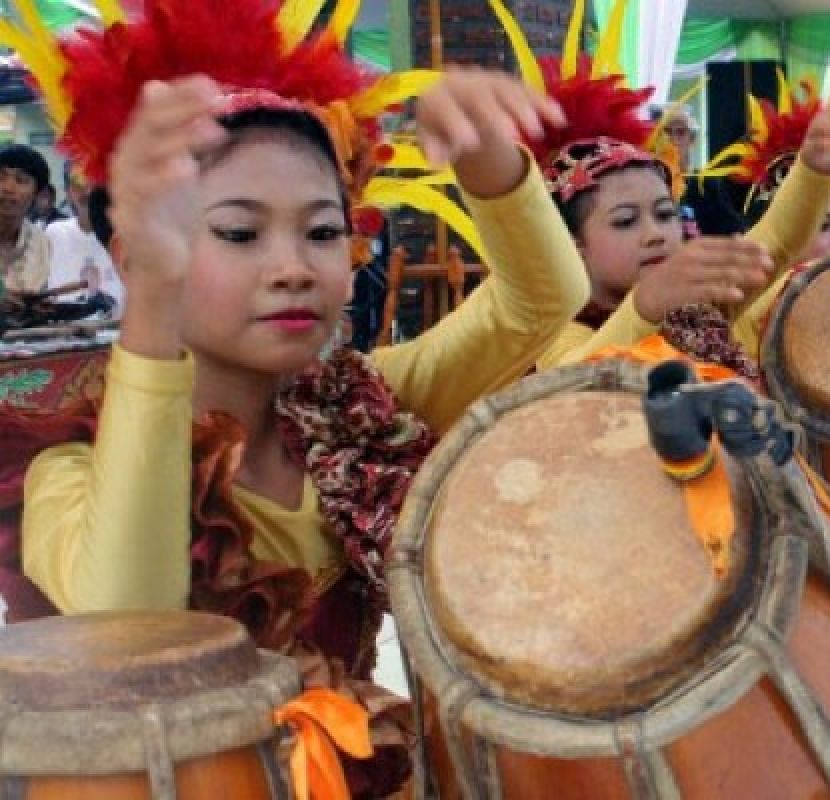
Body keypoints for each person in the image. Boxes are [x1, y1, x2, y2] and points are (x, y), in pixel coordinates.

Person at [1, 1, 589, 795]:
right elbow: (129, 618)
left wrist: (495, 169)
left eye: (320, 232)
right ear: (129, 252)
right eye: (240, 234)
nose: (294, 268)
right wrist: (155, 297)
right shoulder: (68, 463)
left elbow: (539, 302)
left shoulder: (364, 409)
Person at [519, 28, 830, 375]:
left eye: (664, 214)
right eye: (626, 220)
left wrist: (814, 167)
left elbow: (776, 245)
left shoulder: (698, 304)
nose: (655, 234)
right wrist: (644, 308)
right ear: (574, 245)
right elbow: (575, 382)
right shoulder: (557, 330)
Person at [45, 165, 123, 315]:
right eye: (78, 182)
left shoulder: (126, 235)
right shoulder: (54, 233)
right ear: (67, 192)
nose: (88, 191)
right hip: (61, 333)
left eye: (94, 181)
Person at [0, 144, 52, 294]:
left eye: (21, 180)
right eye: (1, 177)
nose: (8, 188)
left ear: (38, 194)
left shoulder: (40, 242)